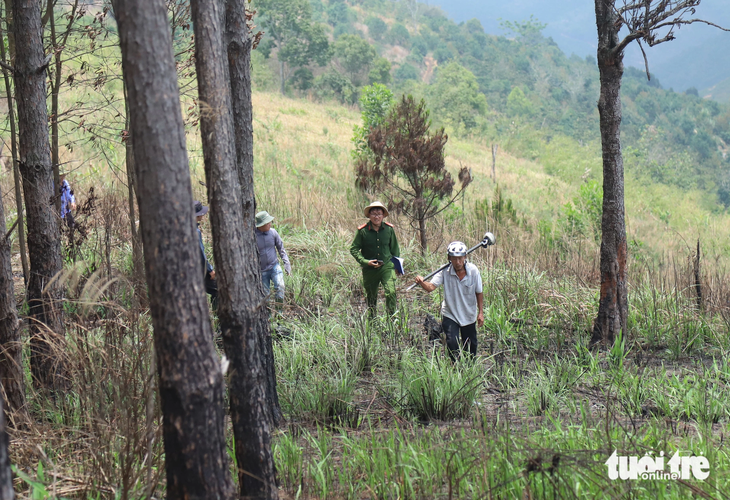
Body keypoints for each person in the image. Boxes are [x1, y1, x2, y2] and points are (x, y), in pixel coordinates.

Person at [415, 241, 484, 361]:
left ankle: (469, 370)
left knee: (471, 347)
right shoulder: (444, 271)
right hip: (450, 313)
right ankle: (454, 367)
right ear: (449, 258)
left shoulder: (473, 271)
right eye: (454, 259)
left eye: (460, 258)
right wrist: (421, 282)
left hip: (469, 314)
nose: (458, 262)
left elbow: (479, 292)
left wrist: (481, 312)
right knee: (452, 342)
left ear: (465, 257)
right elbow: (430, 287)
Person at [350, 201, 401, 317]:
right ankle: (373, 322)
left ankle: (392, 320)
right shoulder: (362, 231)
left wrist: (398, 267)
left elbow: (395, 249)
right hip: (369, 270)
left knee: (391, 292)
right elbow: (353, 249)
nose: (376, 217)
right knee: (371, 298)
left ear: (383, 216)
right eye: (373, 214)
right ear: (369, 215)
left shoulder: (389, 230)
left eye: (379, 214)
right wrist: (365, 262)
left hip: (387, 267)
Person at [255, 211, 291, 305]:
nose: (270, 224)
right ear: (261, 225)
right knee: (265, 295)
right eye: (267, 223)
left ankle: (279, 311)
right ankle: (268, 315)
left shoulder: (273, 233)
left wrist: (287, 264)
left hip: (274, 267)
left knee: (280, 286)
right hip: (261, 271)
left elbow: (281, 249)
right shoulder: (253, 236)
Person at [194, 200, 218, 312]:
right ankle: (218, 320)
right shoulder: (195, 231)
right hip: (198, 270)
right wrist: (210, 270)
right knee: (217, 289)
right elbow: (200, 253)